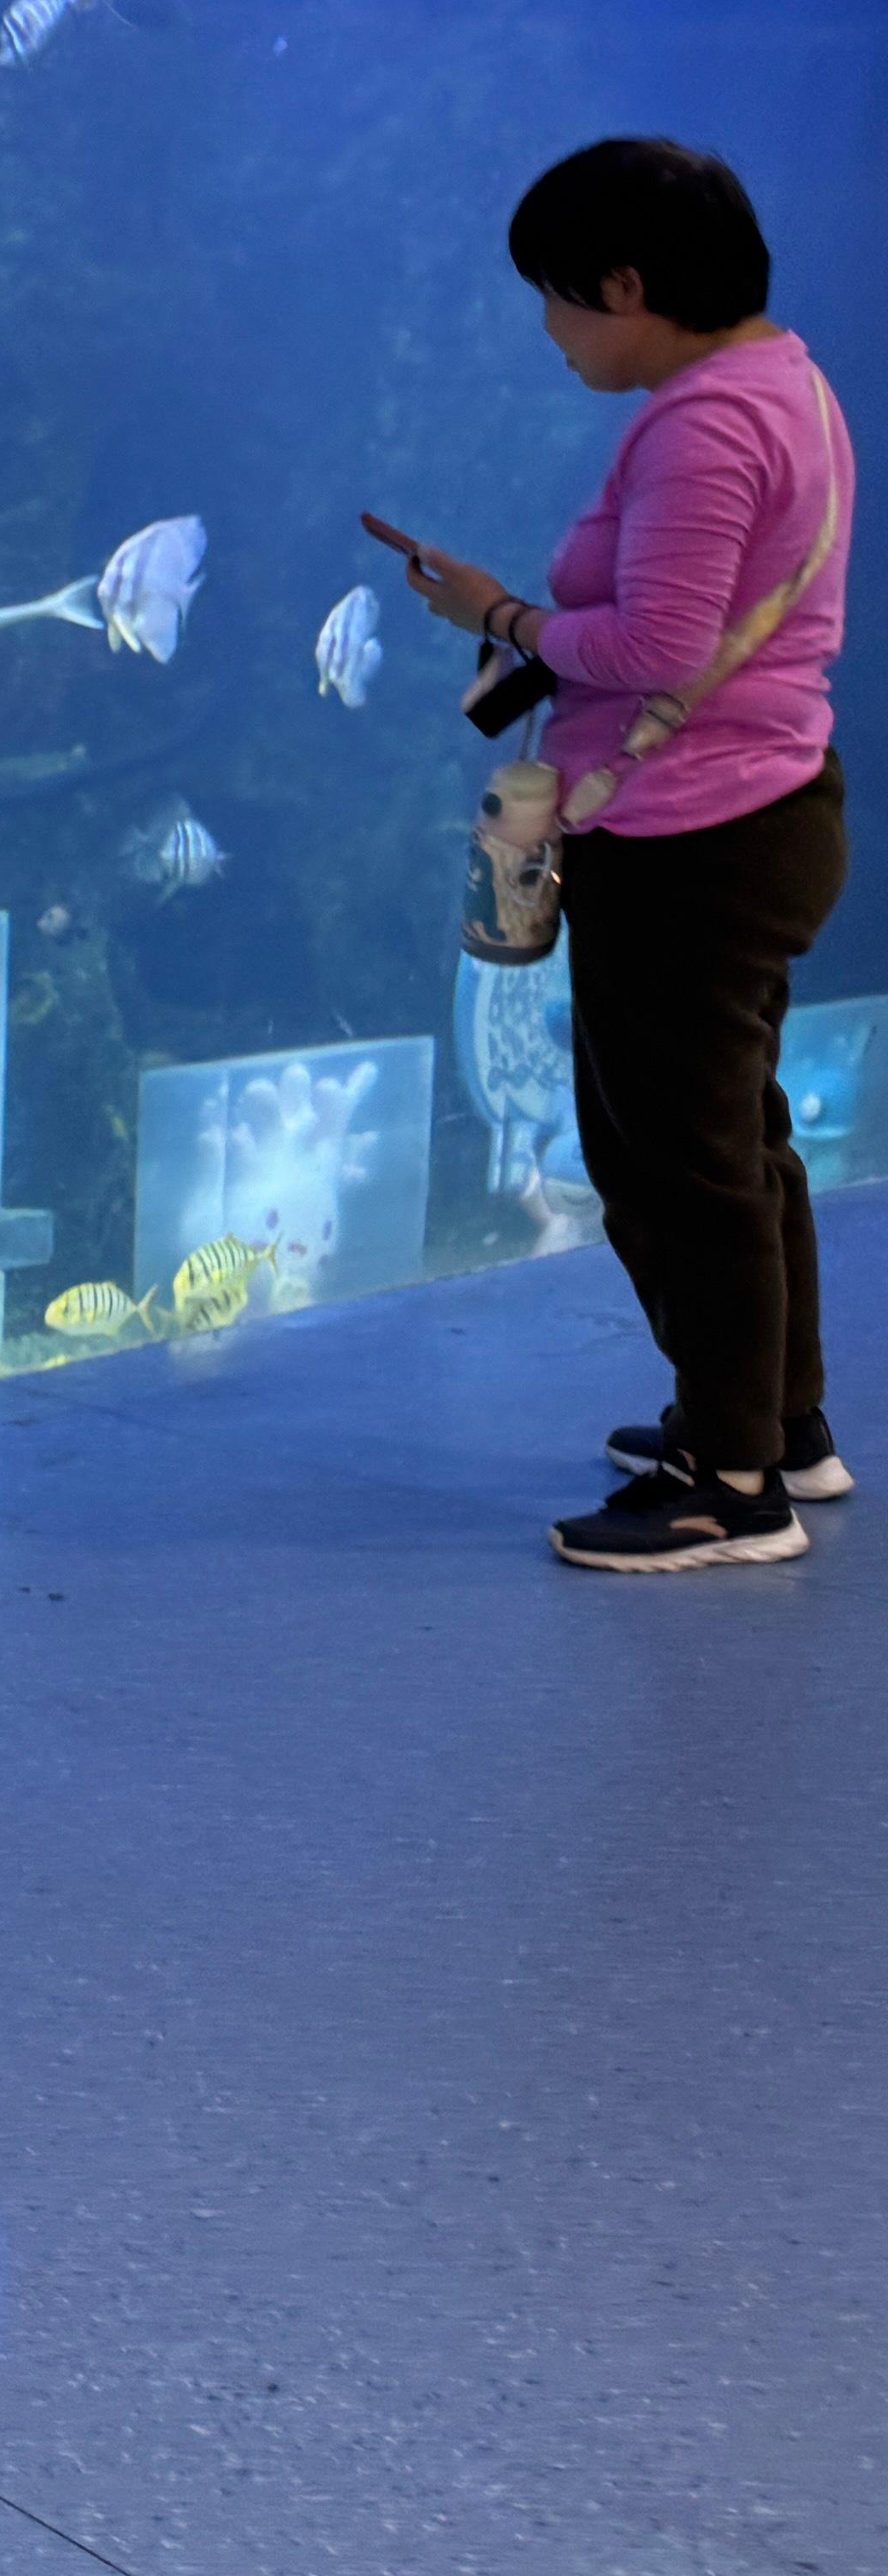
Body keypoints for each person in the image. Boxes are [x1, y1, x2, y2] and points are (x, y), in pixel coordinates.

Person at [387, 136, 851, 1571]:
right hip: (764, 806)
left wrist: (500, 618)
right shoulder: (783, 377)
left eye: (555, 294)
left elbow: (655, 645)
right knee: (735, 1142)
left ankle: (731, 1489)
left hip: (692, 835)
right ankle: (774, 1425)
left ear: (628, 285)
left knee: (671, 1164)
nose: (548, 327)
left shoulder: (702, 425)